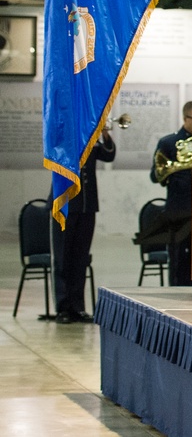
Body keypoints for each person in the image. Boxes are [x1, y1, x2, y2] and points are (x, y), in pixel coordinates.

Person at [53, 129, 116, 323]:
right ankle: (63, 307)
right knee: (64, 258)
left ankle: (77, 307)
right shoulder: (63, 138)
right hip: (66, 204)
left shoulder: (91, 140)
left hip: (87, 206)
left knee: (81, 259)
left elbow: (108, 155)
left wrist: (105, 135)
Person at [151, 101, 192, 286]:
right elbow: (155, 175)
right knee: (177, 258)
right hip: (178, 210)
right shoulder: (168, 142)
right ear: (185, 118)